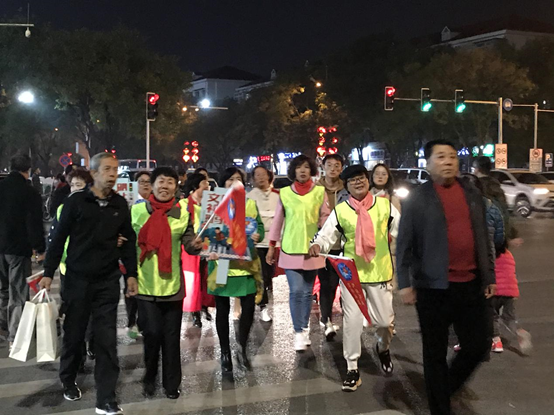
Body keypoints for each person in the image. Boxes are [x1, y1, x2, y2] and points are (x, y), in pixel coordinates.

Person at [396, 140, 496, 415]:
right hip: (433, 288)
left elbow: (483, 235)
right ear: (428, 164)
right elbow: (404, 244)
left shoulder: (472, 192)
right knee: (435, 353)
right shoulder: (418, 198)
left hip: (471, 285)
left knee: (478, 346)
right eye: (440, 157)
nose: (448, 161)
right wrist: (404, 283)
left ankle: (445, 387)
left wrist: (489, 274)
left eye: (452, 156)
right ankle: (439, 407)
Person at [41, 153, 137, 415]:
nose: (112, 174)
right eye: (107, 169)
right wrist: (48, 272)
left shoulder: (119, 204)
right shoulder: (76, 202)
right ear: (94, 173)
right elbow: (58, 239)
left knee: (106, 340)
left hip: (107, 282)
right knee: (74, 334)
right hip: (77, 280)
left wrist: (131, 274)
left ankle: (106, 398)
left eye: (115, 169)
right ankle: (68, 378)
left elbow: (128, 240)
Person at [310, 164, 400, 391]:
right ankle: (352, 368)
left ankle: (383, 348)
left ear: (368, 181)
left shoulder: (384, 206)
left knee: (384, 323)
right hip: (351, 276)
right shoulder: (341, 211)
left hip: (380, 273)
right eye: (352, 180)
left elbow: (403, 231)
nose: (358, 182)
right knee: (351, 323)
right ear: (347, 186)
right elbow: (325, 236)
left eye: (361, 178)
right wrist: (317, 245)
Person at [131, 167, 202, 399]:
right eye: (160, 181)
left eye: (170, 182)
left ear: (176, 186)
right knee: (152, 334)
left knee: (171, 338)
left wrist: (196, 245)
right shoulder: (137, 211)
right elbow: (126, 242)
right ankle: (150, 377)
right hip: (144, 284)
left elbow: (189, 243)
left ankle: (172, 384)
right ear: (152, 185)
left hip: (172, 286)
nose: (165, 186)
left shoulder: (182, 213)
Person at [267, 155, 330, 351]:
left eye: (306, 167)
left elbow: (326, 217)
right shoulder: (285, 193)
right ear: (293, 171)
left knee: (307, 292)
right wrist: (271, 246)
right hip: (290, 248)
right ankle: (298, 332)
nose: (302, 171)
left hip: (313, 250)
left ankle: (304, 327)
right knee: (296, 291)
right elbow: (277, 221)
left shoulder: (320, 192)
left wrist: (324, 237)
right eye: (298, 167)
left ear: (311, 170)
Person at [208, 167, 264, 372]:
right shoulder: (214, 204)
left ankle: (242, 346)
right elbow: (204, 231)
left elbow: (259, 227)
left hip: (245, 262)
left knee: (248, 308)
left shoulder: (249, 204)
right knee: (222, 310)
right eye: (230, 179)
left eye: (238, 179)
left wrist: (258, 235)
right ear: (223, 183)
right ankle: (225, 352)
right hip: (221, 263)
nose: (234, 182)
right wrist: (208, 247)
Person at [0, 154, 46, 350]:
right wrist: (40, 248)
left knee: (3, 290)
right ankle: (15, 336)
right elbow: (34, 223)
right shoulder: (29, 192)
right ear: (28, 170)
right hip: (18, 249)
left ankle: (3, 328)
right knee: (18, 293)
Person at [50, 169, 96, 362]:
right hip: (67, 268)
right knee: (73, 312)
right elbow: (56, 239)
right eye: (73, 185)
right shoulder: (63, 208)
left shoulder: (95, 207)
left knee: (90, 311)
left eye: (80, 185)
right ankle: (78, 354)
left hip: (91, 267)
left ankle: (91, 343)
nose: (76, 189)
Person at [315, 154, 348, 340]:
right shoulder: (316, 189)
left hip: (343, 244)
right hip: (322, 243)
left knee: (341, 283)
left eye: (337, 165)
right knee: (326, 283)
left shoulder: (347, 189)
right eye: (329, 165)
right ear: (323, 167)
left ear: (341, 168)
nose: (333, 169)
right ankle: (326, 320)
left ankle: (349, 320)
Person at [247, 165, 280, 322]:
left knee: (271, 275)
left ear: (269, 176)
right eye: (257, 175)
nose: (260, 177)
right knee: (261, 275)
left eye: (263, 174)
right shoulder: (249, 197)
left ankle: (264, 297)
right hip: (257, 243)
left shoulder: (278, 195)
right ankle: (263, 306)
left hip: (276, 242)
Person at [181, 173, 214, 328]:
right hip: (191, 247)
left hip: (207, 246)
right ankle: (195, 312)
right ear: (196, 186)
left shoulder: (210, 204)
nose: (207, 186)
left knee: (205, 278)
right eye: (204, 184)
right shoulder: (184, 204)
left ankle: (204, 306)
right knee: (194, 280)